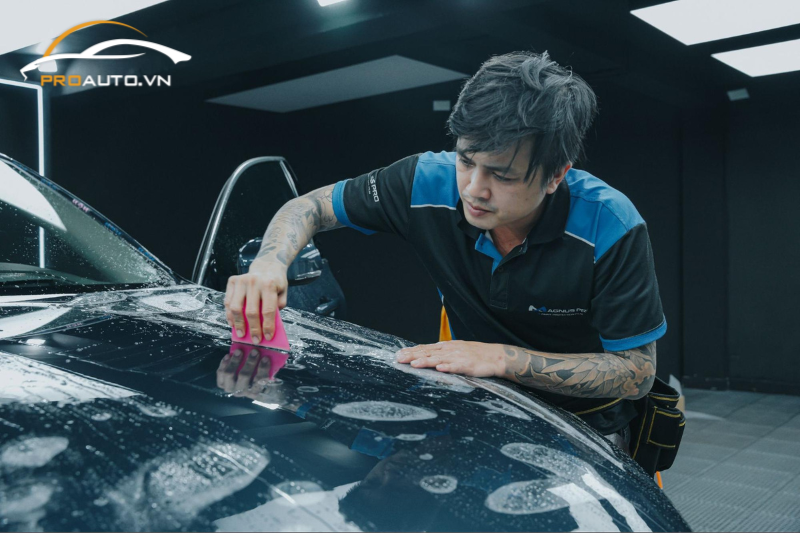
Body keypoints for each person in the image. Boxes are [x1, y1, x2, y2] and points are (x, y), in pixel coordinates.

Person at [224, 51, 665, 442]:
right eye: (466, 160)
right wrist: (269, 263)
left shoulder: (611, 224)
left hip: (584, 429)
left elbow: (637, 372)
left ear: (555, 175)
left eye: (502, 175)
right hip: (477, 406)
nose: (474, 189)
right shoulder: (426, 180)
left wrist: (503, 359)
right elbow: (309, 206)